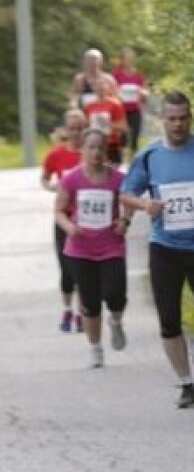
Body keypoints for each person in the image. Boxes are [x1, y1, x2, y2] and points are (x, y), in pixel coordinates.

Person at [120, 90, 194, 408]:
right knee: (169, 320)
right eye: (172, 119)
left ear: (191, 117)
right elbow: (126, 194)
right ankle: (187, 384)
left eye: (183, 118)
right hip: (165, 248)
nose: (178, 125)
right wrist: (146, 204)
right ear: (162, 120)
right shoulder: (149, 156)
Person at [54, 128, 133, 368]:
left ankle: (116, 321)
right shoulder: (72, 179)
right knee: (90, 302)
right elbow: (59, 210)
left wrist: (124, 220)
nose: (97, 152)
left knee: (116, 294)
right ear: (83, 150)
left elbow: (129, 203)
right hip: (80, 249)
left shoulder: (118, 179)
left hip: (111, 246)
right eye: (91, 147)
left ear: (106, 150)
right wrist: (69, 226)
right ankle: (95, 349)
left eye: (101, 147)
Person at [41, 108, 87, 332]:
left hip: (86, 219)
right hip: (63, 218)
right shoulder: (56, 155)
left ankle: (81, 313)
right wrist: (51, 187)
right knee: (66, 269)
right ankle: (68, 310)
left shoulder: (90, 154)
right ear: (65, 130)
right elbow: (44, 178)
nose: (76, 133)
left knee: (82, 268)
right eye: (72, 128)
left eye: (80, 128)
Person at [113, 46, 149, 163]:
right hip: (121, 110)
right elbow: (111, 91)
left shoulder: (138, 75)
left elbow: (145, 92)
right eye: (126, 58)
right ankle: (122, 163)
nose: (128, 61)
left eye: (130, 58)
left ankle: (132, 163)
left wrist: (143, 93)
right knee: (122, 137)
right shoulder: (116, 75)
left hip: (135, 109)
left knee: (134, 137)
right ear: (122, 60)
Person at [83, 75, 128, 166]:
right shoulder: (89, 107)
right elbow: (86, 126)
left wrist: (108, 123)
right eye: (97, 85)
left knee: (114, 173)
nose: (100, 88)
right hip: (95, 145)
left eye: (103, 85)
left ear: (107, 87)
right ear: (94, 88)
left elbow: (123, 127)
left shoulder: (115, 104)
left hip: (111, 144)